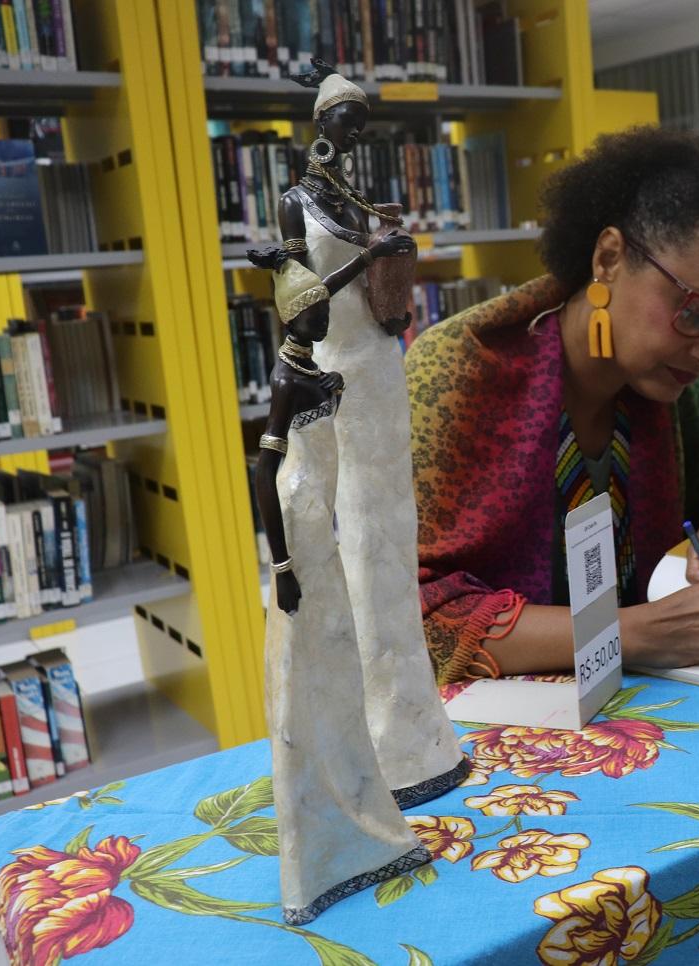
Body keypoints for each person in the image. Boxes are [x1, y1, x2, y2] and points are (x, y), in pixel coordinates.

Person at [406, 126, 699, 683]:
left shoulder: (678, 399)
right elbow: (409, 617)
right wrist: (630, 631)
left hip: (633, 706)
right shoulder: (457, 375)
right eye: (694, 310)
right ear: (608, 258)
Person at [278, 61, 466, 806]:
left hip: (383, 374)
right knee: (351, 543)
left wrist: (385, 253)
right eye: (343, 120)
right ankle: (374, 740)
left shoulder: (355, 200)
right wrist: (371, 256)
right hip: (336, 377)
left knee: (392, 537)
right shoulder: (297, 205)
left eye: (360, 123)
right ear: (322, 123)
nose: (352, 133)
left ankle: (415, 729)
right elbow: (299, 302)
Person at [251, 254, 429, 925]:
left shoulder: (308, 359)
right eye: (319, 310)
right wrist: (282, 567)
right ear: (299, 316)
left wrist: (370, 256)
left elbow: (336, 280)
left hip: (321, 518)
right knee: (311, 668)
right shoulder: (285, 378)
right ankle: (321, 839)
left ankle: (355, 814)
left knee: (340, 667)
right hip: (301, 523)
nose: (330, 314)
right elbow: (264, 472)